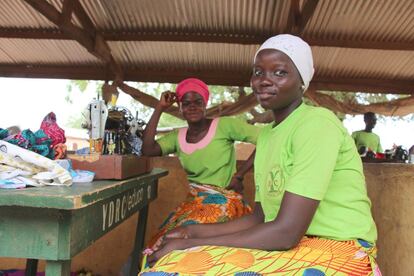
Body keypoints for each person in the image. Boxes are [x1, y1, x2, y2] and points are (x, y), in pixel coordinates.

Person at [143, 35, 380, 275]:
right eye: (258, 73)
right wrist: (190, 232)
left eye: (279, 73)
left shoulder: (316, 124)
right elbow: (260, 217)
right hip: (293, 240)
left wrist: (191, 244)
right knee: (170, 263)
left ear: (302, 81)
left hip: (340, 245)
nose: (264, 81)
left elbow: (286, 232)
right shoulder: (267, 135)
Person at [141, 77, 261, 249]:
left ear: (206, 103)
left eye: (198, 101)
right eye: (186, 103)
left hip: (226, 199)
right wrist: (160, 108)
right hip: (195, 202)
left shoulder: (224, 125)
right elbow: (147, 150)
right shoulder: (178, 136)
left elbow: (265, 139)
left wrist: (240, 175)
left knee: (188, 243)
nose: (192, 107)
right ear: (180, 107)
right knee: (160, 242)